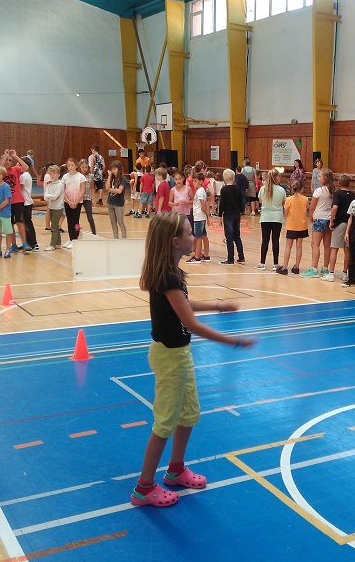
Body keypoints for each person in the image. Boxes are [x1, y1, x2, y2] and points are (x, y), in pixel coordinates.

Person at [129, 212, 256, 507]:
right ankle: (144, 488)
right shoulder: (167, 277)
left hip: (179, 355)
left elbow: (183, 306)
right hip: (170, 358)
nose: (193, 238)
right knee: (164, 423)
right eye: (189, 234)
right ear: (175, 242)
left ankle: (174, 471)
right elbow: (193, 324)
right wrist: (234, 341)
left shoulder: (171, 272)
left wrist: (218, 306)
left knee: (187, 415)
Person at [301, 168, 334, 278]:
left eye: (320, 176)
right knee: (327, 245)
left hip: (319, 218)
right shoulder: (333, 191)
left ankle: (314, 268)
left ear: (325, 178)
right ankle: (325, 268)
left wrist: (311, 217)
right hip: (329, 219)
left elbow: (312, 207)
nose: (318, 178)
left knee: (315, 244)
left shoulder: (318, 191)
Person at [324, 174, 355, 282]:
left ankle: (331, 273)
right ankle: (344, 273)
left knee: (334, 248)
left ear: (338, 183)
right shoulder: (354, 195)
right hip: (350, 224)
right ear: (349, 184)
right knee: (347, 250)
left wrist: (331, 221)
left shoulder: (337, 194)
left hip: (340, 223)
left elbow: (335, 207)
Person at [277, 180, 309, 275]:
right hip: (302, 225)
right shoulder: (305, 199)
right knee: (299, 246)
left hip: (292, 225)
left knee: (288, 246)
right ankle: (297, 266)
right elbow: (306, 211)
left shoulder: (288, 199)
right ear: (302, 189)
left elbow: (286, 212)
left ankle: (285, 267)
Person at [257, 169, 287, 270]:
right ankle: (275, 264)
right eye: (279, 177)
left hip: (265, 217)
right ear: (276, 178)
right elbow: (284, 203)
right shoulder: (281, 190)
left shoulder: (263, 189)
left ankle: (262, 263)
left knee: (265, 240)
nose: (280, 179)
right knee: (275, 240)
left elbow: (260, 201)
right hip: (277, 217)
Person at [218, 169, 245, 265]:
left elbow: (222, 204)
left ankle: (230, 259)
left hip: (228, 215)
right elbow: (241, 201)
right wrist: (241, 211)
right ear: (233, 178)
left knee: (229, 237)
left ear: (224, 179)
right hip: (236, 214)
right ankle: (241, 257)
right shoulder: (237, 188)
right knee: (237, 236)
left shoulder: (224, 190)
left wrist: (219, 215)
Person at [62, 158, 87, 248]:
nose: (70, 167)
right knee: (69, 220)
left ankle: (75, 239)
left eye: (72, 165)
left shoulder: (81, 177)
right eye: (69, 165)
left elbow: (82, 190)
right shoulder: (65, 177)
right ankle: (70, 238)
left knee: (75, 220)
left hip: (77, 202)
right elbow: (63, 190)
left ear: (76, 166)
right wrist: (68, 201)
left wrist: (76, 202)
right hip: (67, 202)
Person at [187, 173, 209, 263]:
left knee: (198, 237)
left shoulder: (200, 192)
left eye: (195, 181)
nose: (193, 183)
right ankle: (206, 255)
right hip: (200, 216)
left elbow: (203, 205)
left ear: (200, 181)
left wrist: (207, 215)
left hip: (199, 217)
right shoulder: (201, 191)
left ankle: (197, 256)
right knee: (204, 235)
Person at [43, 165, 64, 251]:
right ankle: (58, 243)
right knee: (55, 225)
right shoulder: (50, 185)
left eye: (54, 173)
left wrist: (49, 197)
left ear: (58, 174)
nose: (52, 175)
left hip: (58, 208)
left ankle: (52, 244)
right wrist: (49, 197)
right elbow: (45, 196)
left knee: (54, 226)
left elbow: (55, 196)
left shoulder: (60, 184)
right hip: (51, 207)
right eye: (51, 173)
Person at [106, 161, 128, 239]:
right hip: (111, 202)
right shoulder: (112, 178)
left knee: (120, 222)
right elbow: (107, 187)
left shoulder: (123, 179)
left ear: (119, 168)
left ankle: (124, 238)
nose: (113, 170)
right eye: (112, 169)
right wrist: (109, 177)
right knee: (113, 222)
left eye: (115, 168)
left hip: (119, 203)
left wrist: (111, 189)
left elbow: (119, 191)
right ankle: (116, 238)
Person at [19, 163, 38, 251]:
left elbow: (20, 188)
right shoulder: (27, 175)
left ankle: (34, 243)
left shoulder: (24, 176)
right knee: (25, 224)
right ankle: (27, 243)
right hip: (26, 202)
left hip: (25, 202)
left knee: (27, 224)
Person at [79, 160, 97, 236]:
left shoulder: (91, 176)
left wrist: (93, 199)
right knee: (76, 218)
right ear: (80, 167)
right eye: (83, 167)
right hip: (78, 199)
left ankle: (94, 233)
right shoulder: (78, 176)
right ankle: (76, 232)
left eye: (86, 167)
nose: (84, 169)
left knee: (90, 217)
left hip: (87, 199)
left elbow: (92, 188)